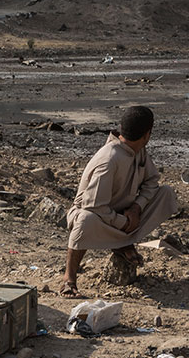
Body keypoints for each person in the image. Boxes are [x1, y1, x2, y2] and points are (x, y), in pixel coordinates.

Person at [60, 105, 178, 296]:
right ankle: (69, 278)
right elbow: (94, 206)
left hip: (125, 213)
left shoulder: (138, 150)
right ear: (147, 135)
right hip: (99, 216)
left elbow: (152, 181)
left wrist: (137, 208)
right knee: (85, 220)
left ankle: (122, 243)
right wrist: (124, 222)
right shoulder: (109, 159)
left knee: (166, 194)